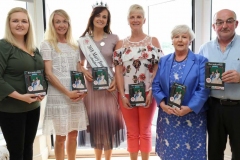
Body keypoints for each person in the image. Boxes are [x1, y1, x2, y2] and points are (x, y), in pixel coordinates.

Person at [152, 25, 210, 160]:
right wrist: (162, 104)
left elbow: (204, 88)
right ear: (172, 40)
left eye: (184, 37)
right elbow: (156, 85)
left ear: (190, 41)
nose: (180, 40)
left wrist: (189, 108)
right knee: (169, 153)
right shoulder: (164, 60)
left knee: (191, 154)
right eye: (176, 37)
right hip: (168, 116)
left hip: (192, 117)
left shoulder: (201, 61)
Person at [114, 4, 163, 160]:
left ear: (144, 20)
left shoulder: (153, 41)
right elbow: (118, 72)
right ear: (128, 20)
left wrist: (152, 91)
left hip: (148, 94)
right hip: (126, 94)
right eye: (132, 17)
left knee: (146, 131)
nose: (135, 20)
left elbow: (157, 68)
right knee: (132, 131)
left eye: (138, 17)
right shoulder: (121, 44)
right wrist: (122, 95)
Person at [78, 3, 125, 160]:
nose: (101, 19)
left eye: (104, 17)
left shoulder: (114, 38)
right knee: (97, 124)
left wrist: (117, 83)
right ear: (92, 18)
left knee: (109, 124)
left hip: (110, 86)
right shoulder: (84, 41)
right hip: (92, 87)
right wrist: (83, 70)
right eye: (98, 15)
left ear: (107, 20)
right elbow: (79, 64)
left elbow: (120, 65)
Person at [40, 9, 88, 160]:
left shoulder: (74, 45)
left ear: (68, 23)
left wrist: (82, 89)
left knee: (73, 136)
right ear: (52, 24)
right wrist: (67, 93)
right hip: (59, 96)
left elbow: (78, 70)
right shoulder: (47, 44)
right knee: (60, 139)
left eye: (64, 21)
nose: (61, 25)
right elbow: (48, 74)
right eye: (57, 21)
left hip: (75, 95)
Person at [0, 7, 45, 160]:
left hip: (33, 107)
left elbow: (40, 73)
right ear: (9, 24)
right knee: (17, 152)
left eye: (24, 21)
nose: (20, 24)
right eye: (15, 21)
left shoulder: (33, 48)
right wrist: (20, 96)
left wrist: (41, 91)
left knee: (28, 149)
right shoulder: (3, 46)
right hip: (11, 109)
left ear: (29, 25)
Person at [199, 9, 240, 160]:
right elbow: (198, 76)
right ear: (214, 26)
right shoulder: (205, 48)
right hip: (214, 107)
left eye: (229, 21)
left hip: (238, 108)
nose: (224, 25)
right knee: (214, 152)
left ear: (236, 24)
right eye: (220, 22)